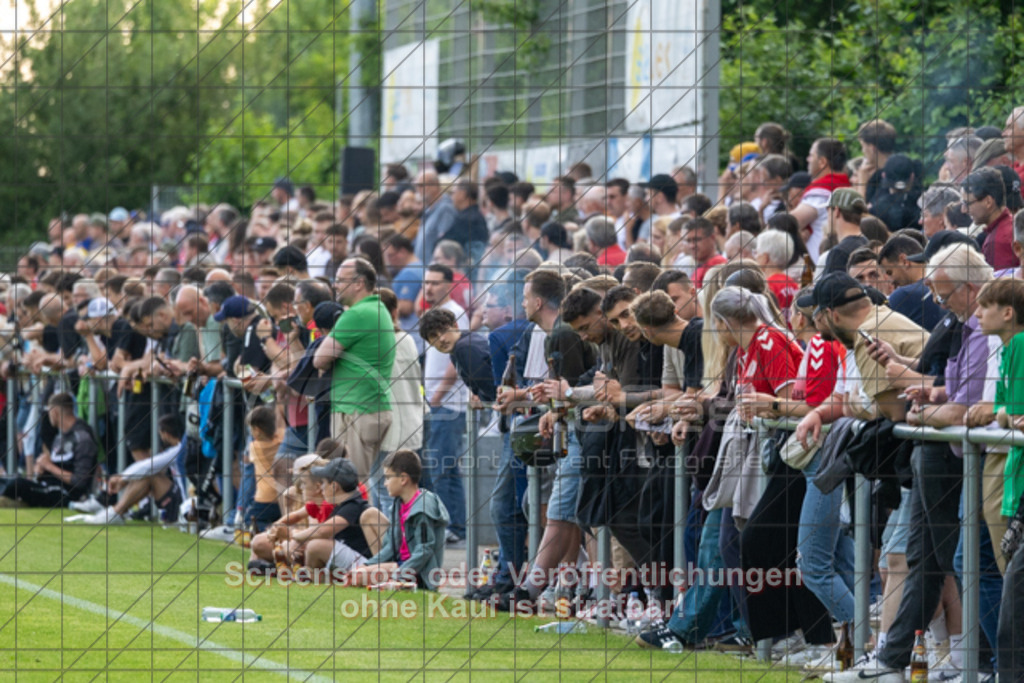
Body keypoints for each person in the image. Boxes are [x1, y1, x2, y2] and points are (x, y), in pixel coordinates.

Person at [314, 257, 395, 482]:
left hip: (355, 409)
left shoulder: (356, 314)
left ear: (359, 283)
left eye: (340, 280)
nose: (335, 285)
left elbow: (319, 359)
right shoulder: (378, 308)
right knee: (361, 486)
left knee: (348, 486)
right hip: (369, 406)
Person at [418, 263, 469, 543]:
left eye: (435, 283)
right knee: (436, 467)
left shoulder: (455, 314)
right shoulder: (434, 314)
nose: (428, 288)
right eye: (426, 283)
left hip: (448, 404)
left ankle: (455, 527)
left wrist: (437, 396)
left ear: (449, 285)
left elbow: (456, 358)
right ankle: (449, 525)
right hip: (437, 402)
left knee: (444, 468)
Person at [349, 450, 450, 591]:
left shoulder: (423, 507)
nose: (385, 484)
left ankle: (399, 586)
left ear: (403, 479)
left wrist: (399, 574)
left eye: (388, 478)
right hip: (399, 566)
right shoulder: (398, 505)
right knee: (357, 573)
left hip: (418, 573)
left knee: (358, 577)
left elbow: (424, 550)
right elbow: (390, 546)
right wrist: (366, 565)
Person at [77, 414, 187, 525]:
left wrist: (122, 478)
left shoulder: (178, 450)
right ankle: (116, 512)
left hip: (184, 502)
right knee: (147, 474)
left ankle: (116, 512)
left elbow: (148, 465)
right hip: (181, 498)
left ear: (165, 434)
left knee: (150, 475)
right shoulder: (179, 449)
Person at [0, 392, 97, 508]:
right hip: (46, 485)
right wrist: (42, 468)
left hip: (65, 493)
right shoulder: (60, 435)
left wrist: (49, 466)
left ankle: (14, 501)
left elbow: (80, 481)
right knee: (6, 480)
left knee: (15, 484)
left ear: (55, 412)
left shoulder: (82, 437)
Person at [293, 458, 375, 572]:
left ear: (334, 486)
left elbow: (321, 532)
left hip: (366, 563)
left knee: (315, 546)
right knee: (310, 544)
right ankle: (314, 576)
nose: (321, 488)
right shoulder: (342, 505)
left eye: (324, 483)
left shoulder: (354, 505)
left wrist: (293, 535)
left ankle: (313, 578)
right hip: (356, 559)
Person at [790, 138, 851, 261]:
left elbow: (787, 223)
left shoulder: (820, 192)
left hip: (819, 265)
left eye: (811, 155)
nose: (808, 159)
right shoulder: (845, 186)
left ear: (822, 162)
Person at [419, 307, 496, 404]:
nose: (442, 339)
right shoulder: (462, 345)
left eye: (444, 331)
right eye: (434, 336)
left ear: (455, 325)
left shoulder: (463, 348)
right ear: (429, 342)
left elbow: (493, 392)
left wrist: (482, 398)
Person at [963, 166, 1019, 271]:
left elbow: (1002, 287)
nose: (964, 210)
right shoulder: (1014, 224)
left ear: (988, 201)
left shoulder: (997, 242)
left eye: (967, 203)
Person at [821, 188, 868, 274]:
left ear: (836, 211)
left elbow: (830, 287)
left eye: (827, 210)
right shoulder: (867, 244)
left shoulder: (839, 253)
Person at [684, 217, 727, 288]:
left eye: (697, 239)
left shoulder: (717, 266)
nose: (692, 246)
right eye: (688, 241)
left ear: (712, 238)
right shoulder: (701, 266)